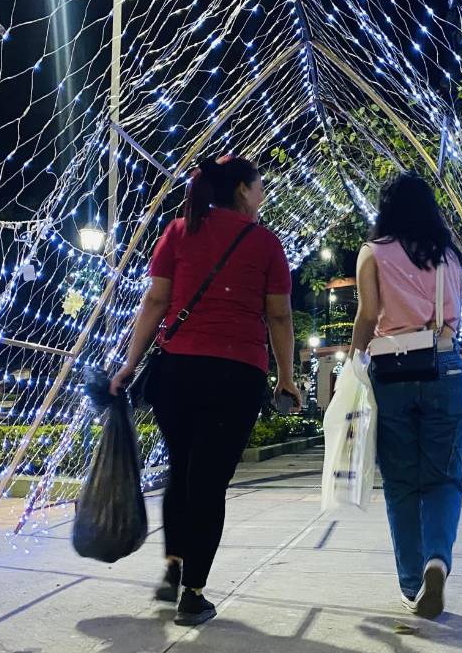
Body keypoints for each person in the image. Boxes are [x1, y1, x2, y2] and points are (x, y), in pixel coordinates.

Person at [110, 154, 302, 627]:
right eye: (259, 186)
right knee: (209, 480)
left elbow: (155, 300)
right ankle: (193, 595)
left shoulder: (179, 230)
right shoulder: (266, 244)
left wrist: (131, 363)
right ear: (241, 189)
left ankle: (173, 568)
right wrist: (285, 376)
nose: (263, 194)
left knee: (182, 467)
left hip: (177, 370)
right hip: (236, 373)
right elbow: (278, 315)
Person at [350, 172, 462, 620]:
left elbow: (368, 314)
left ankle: (412, 582)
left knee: (401, 483)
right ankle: (438, 559)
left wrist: (353, 361)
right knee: (444, 476)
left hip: (393, 370)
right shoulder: (451, 252)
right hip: (445, 365)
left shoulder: (373, 253)